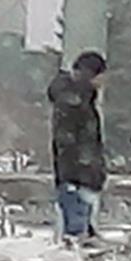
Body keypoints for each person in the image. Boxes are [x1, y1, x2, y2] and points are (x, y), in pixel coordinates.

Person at [47, 50, 108, 241]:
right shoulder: (73, 102)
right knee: (76, 235)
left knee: (80, 233)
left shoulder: (81, 99)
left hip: (79, 177)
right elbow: (73, 141)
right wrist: (87, 167)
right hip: (77, 177)